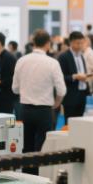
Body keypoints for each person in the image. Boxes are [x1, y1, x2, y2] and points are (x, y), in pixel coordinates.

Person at [12, 30, 66, 174]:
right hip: (44, 111)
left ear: (33, 43)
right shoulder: (52, 63)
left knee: (26, 146)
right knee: (43, 147)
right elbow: (61, 90)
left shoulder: (21, 61)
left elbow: (15, 89)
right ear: (48, 44)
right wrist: (57, 103)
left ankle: (27, 176)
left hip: (25, 110)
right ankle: (41, 176)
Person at [58, 31, 91, 123]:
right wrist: (74, 77)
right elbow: (60, 77)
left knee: (80, 122)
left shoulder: (81, 56)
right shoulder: (64, 57)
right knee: (69, 123)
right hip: (70, 96)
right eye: (78, 43)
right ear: (71, 42)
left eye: (82, 43)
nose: (80, 45)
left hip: (82, 94)